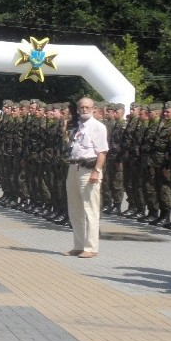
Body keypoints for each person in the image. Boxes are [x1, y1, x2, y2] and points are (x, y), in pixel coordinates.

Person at [65, 97, 108, 258]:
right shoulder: (78, 127)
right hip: (74, 166)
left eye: (87, 107)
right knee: (74, 209)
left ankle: (91, 248)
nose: (84, 110)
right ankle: (78, 245)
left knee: (90, 209)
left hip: (89, 169)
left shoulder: (98, 127)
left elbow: (102, 152)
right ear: (78, 109)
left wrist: (97, 170)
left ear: (93, 109)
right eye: (81, 107)